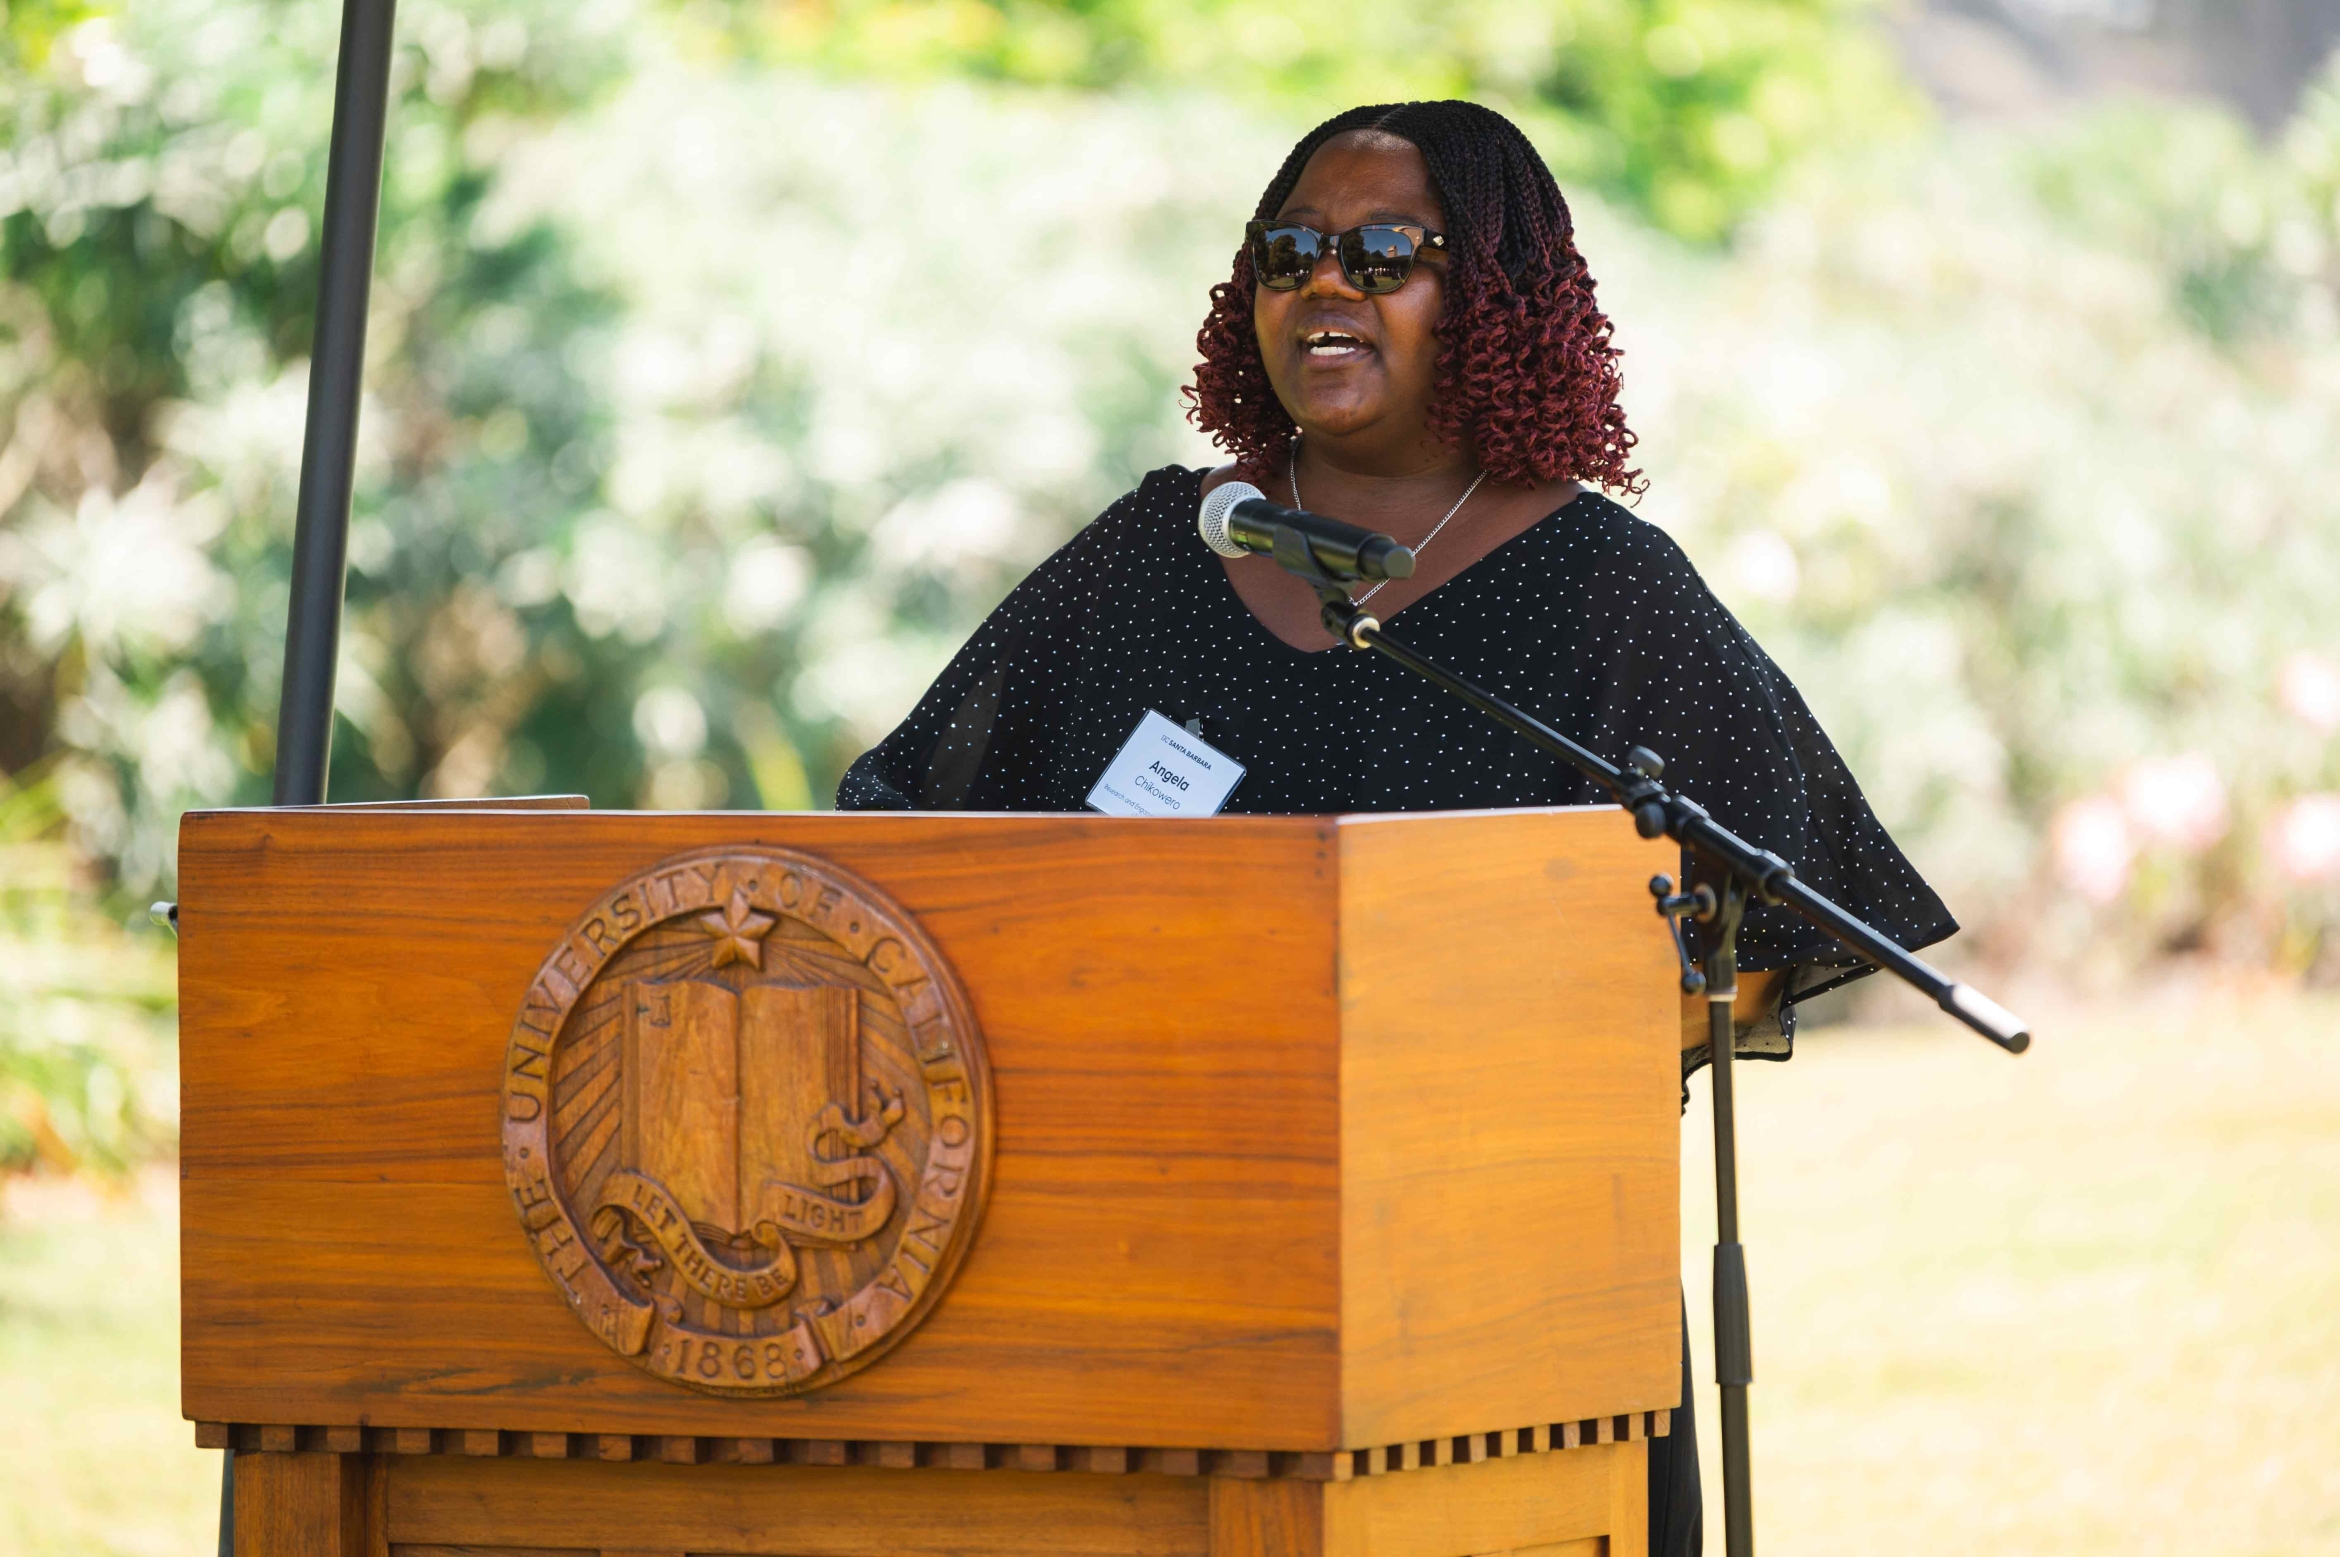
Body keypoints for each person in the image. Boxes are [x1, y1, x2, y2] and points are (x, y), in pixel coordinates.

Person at [838, 99, 1956, 1554]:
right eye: (1291, 251)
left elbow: (1763, 923)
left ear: (1492, 299)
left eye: (1385, 255)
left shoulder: (1607, 592)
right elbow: (907, 819)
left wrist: (1494, 1039)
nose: (1324, 285)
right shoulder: (1159, 551)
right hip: (1146, 1270)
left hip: (1498, 1290)